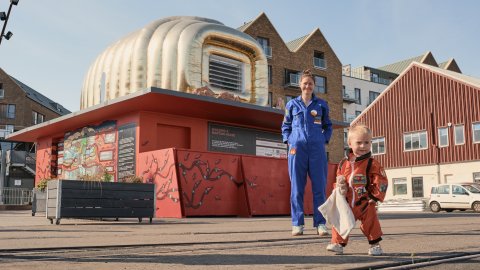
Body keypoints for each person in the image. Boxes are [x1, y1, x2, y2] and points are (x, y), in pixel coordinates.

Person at [281, 69, 332, 236]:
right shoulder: (291, 105)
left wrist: (323, 139)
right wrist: (289, 140)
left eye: (310, 83)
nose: (307, 86)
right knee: (297, 187)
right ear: (300, 85)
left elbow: (328, 125)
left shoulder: (322, 105)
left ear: (314, 86)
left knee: (319, 187)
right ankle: (297, 224)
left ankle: (320, 223)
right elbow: (285, 125)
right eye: (305, 83)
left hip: (317, 149)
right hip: (297, 150)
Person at [326, 124, 388, 256]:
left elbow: (381, 180)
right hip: (347, 202)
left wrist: (375, 196)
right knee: (340, 221)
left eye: (367, 142)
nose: (363, 146)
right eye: (359, 142)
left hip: (366, 201)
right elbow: (338, 179)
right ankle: (338, 244)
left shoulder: (372, 163)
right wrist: (339, 188)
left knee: (371, 223)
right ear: (349, 143)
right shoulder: (343, 163)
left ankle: (375, 245)